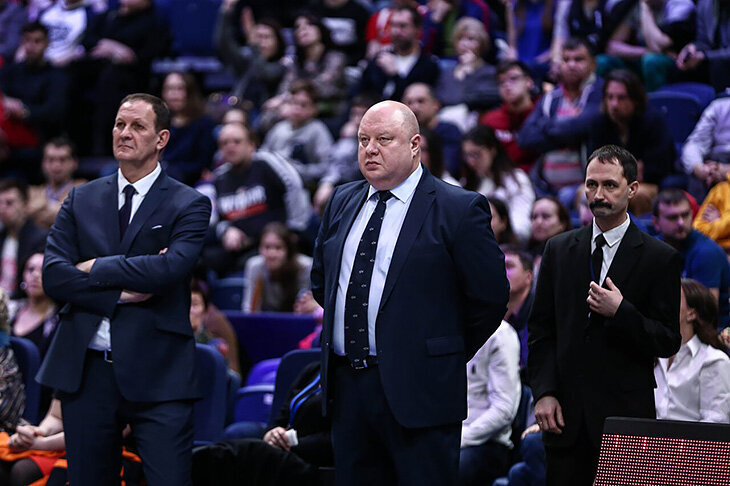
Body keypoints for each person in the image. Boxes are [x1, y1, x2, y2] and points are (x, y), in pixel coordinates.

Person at [311, 100, 509, 485]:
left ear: (415, 145)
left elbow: (490, 299)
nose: (370, 149)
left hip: (423, 391)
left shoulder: (458, 208)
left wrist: (438, 354)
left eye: (383, 139)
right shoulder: (341, 200)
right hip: (349, 389)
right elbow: (323, 283)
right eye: (363, 140)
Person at [37, 93, 212, 485]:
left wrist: (95, 266)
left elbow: (169, 270)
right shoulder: (81, 197)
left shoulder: (190, 203)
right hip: (87, 371)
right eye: (119, 124)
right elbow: (54, 276)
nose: (124, 133)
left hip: (160, 374)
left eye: (137, 126)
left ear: (161, 138)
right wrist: (119, 291)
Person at [528, 144, 681, 485]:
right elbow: (541, 331)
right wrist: (545, 392)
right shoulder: (558, 249)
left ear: (632, 189)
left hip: (625, 419)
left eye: (610, 185)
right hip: (564, 417)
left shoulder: (660, 258)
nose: (598, 194)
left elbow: (668, 340)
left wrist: (621, 312)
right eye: (591, 184)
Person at [207, 122, 311, 276]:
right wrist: (227, 231)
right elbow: (219, 219)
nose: (230, 147)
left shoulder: (266, 163)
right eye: (224, 143)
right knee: (201, 258)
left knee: (249, 264)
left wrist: (294, 230)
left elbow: (295, 188)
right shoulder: (219, 177)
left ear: (251, 144)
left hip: (275, 245)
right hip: (240, 246)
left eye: (236, 141)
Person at [518, 37, 603, 198]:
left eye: (578, 59)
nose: (571, 65)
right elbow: (525, 137)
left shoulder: (600, 92)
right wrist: (566, 131)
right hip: (545, 186)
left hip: (586, 187)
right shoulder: (551, 97)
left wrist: (545, 126)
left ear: (593, 64)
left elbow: (584, 126)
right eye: (566, 59)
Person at [586, 69, 676, 215]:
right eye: (610, 97)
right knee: (581, 193)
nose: (614, 104)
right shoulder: (599, 123)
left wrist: (615, 173)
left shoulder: (654, 121)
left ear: (635, 99)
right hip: (606, 184)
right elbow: (593, 163)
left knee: (636, 195)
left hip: (646, 185)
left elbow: (657, 169)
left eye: (621, 98)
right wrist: (629, 171)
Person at [654, 279, 730, 423]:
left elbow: (716, 421)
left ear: (691, 313)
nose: (663, 303)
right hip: (646, 435)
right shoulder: (654, 354)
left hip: (688, 437)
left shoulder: (713, 361)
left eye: (673, 298)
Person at [653, 189, 730, 328]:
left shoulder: (706, 252)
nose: (681, 223)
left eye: (685, 215)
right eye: (673, 217)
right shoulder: (653, 246)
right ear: (656, 222)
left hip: (711, 331)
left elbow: (705, 314)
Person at [460, 320, 521, 486]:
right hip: (449, 437)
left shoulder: (500, 334)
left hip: (488, 444)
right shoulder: (447, 331)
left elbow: (504, 410)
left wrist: (461, 438)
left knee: (450, 467)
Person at [461, 125, 535, 243]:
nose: (471, 161)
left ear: (492, 150)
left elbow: (522, 227)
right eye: (467, 155)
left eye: (476, 154)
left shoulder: (516, 179)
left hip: (507, 244)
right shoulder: (468, 182)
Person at [358, 5, 440, 101]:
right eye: (393, 25)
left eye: (403, 26)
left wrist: (395, 75)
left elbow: (415, 102)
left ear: (417, 30)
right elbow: (361, 95)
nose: (396, 31)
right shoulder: (378, 60)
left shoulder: (428, 65)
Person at [260, 79, 335, 185]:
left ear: (314, 108)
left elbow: (326, 166)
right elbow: (263, 155)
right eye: (294, 103)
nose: (297, 108)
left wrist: (299, 169)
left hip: (301, 183)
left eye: (303, 105)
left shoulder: (317, 130)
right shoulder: (279, 128)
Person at [214, 0, 286, 109]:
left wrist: (254, 45)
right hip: (239, 112)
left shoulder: (282, 65)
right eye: (258, 37)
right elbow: (224, 45)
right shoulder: (248, 61)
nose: (261, 43)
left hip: (266, 114)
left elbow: (264, 73)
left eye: (266, 37)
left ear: (278, 41)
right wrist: (226, 11)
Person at [480, 60, 539, 173]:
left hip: (539, 176)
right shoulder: (490, 120)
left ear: (529, 82)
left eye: (513, 79)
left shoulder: (543, 112)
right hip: (503, 176)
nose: (507, 86)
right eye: (501, 82)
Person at [160, 71, 217, 187]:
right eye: (169, 89)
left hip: (191, 182)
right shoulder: (159, 121)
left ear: (190, 92)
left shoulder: (204, 124)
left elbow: (202, 163)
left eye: (179, 89)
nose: (173, 94)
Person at [242, 222, 313, 313]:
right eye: (267, 247)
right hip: (266, 318)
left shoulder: (305, 267)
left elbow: (306, 308)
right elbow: (249, 310)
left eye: (278, 248)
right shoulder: (255, 266)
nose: (272, 254)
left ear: (288, 250)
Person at [433, 17, 501, 111]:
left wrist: (469, 75)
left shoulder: (490, 72)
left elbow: (477, 101)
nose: (465, 44)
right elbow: (441, 99)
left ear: (481, 42)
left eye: (471, 39)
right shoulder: (446, 72)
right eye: (460, 38)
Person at [402, 82, 463, 177]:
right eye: (409, 102)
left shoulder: (450, 131)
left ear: (436, 104)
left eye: (421, 101)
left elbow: (449, 166)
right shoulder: (401, 133)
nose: (414, 107)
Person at [0, 179, 47, 297]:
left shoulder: (39, 239)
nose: (2, 209)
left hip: (23, 301)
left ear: (25, 205)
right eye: (0, 203)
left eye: (9, 203)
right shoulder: (2, 235)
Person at [27, 137, 86, 229]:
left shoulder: (83, 188)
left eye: (62, 160)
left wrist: (38, 210)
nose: (56, 165)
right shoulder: (32, 192)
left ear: (74, 163)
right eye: (51, 160)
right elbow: (23, 216)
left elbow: (75, 217)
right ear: (43, 163)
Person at [694, 172, 730, 251]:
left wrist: (718, 221)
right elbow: (699, 229)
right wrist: (723, 225)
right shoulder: (720, 190)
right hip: (715, 251)